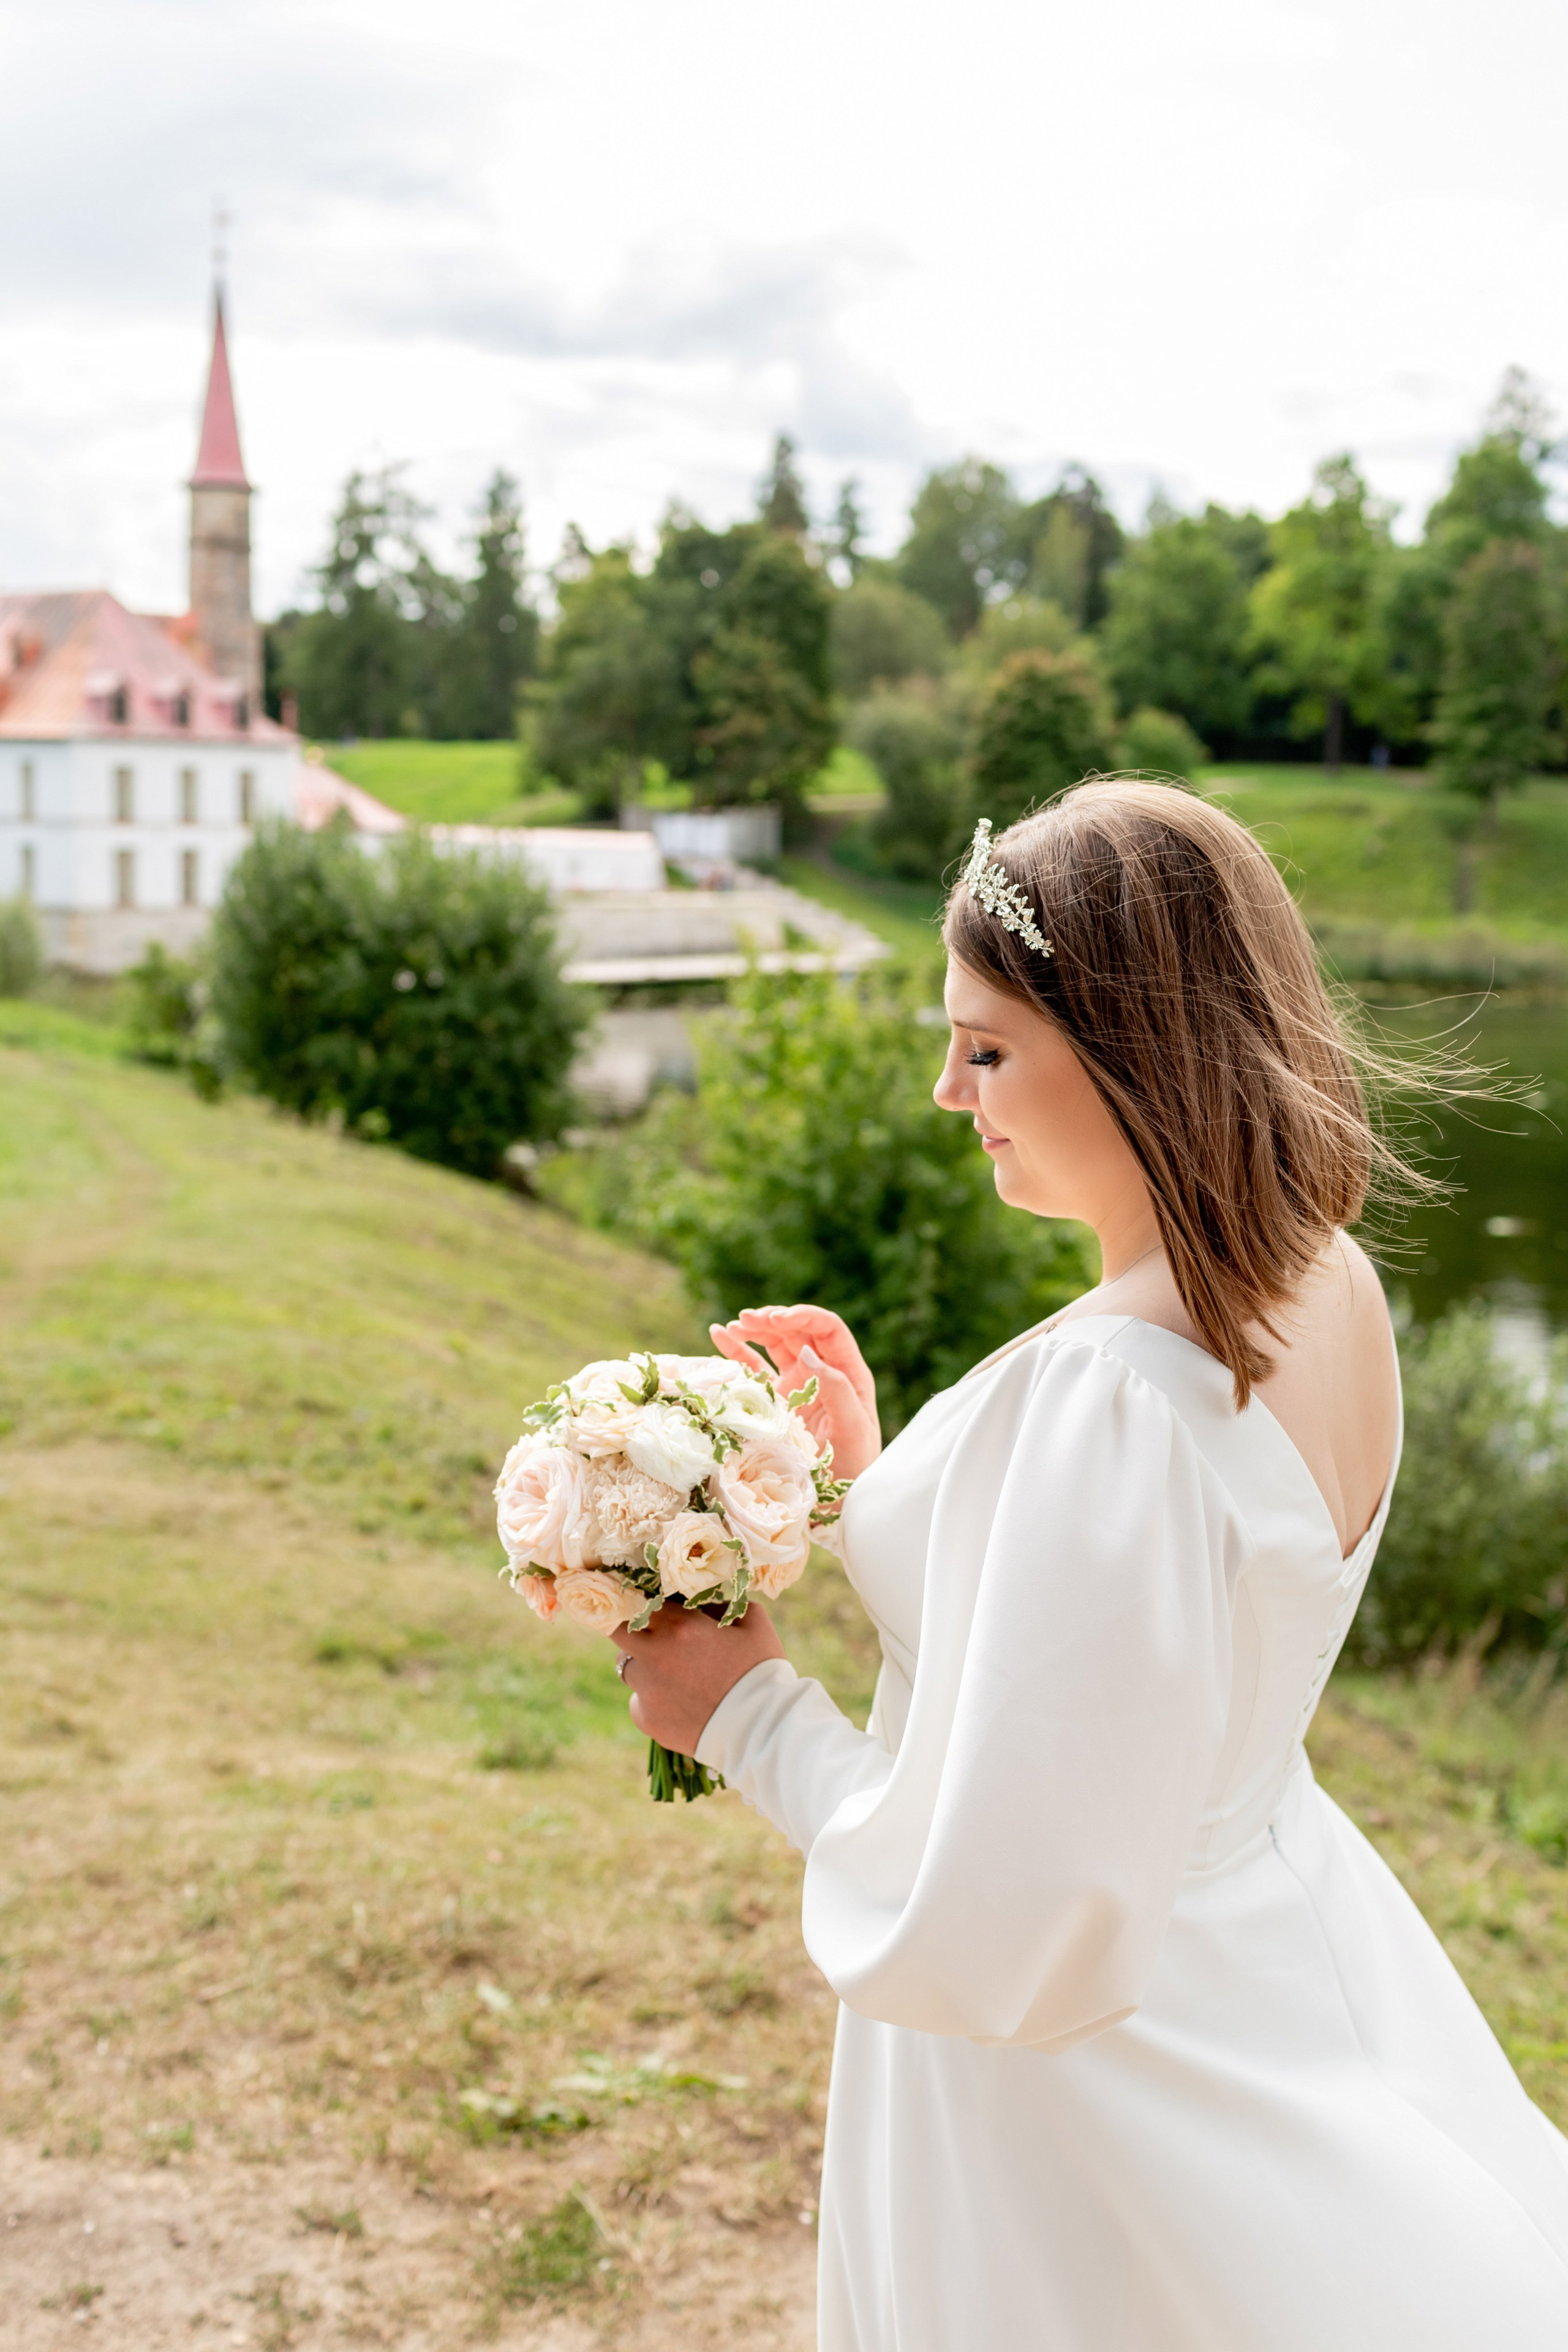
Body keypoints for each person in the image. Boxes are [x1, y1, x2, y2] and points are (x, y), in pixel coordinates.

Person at [609, 781, 1568, 2349]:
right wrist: (871, 1486)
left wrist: (749, 1715)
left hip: (1096, 2082)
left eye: (984, 1047)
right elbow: (1128, 1632)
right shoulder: (1321, 1287)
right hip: (1255, 1946)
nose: (944, 1088)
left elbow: (1005, 1908)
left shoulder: (1111, 1391)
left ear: (1136, 1050)